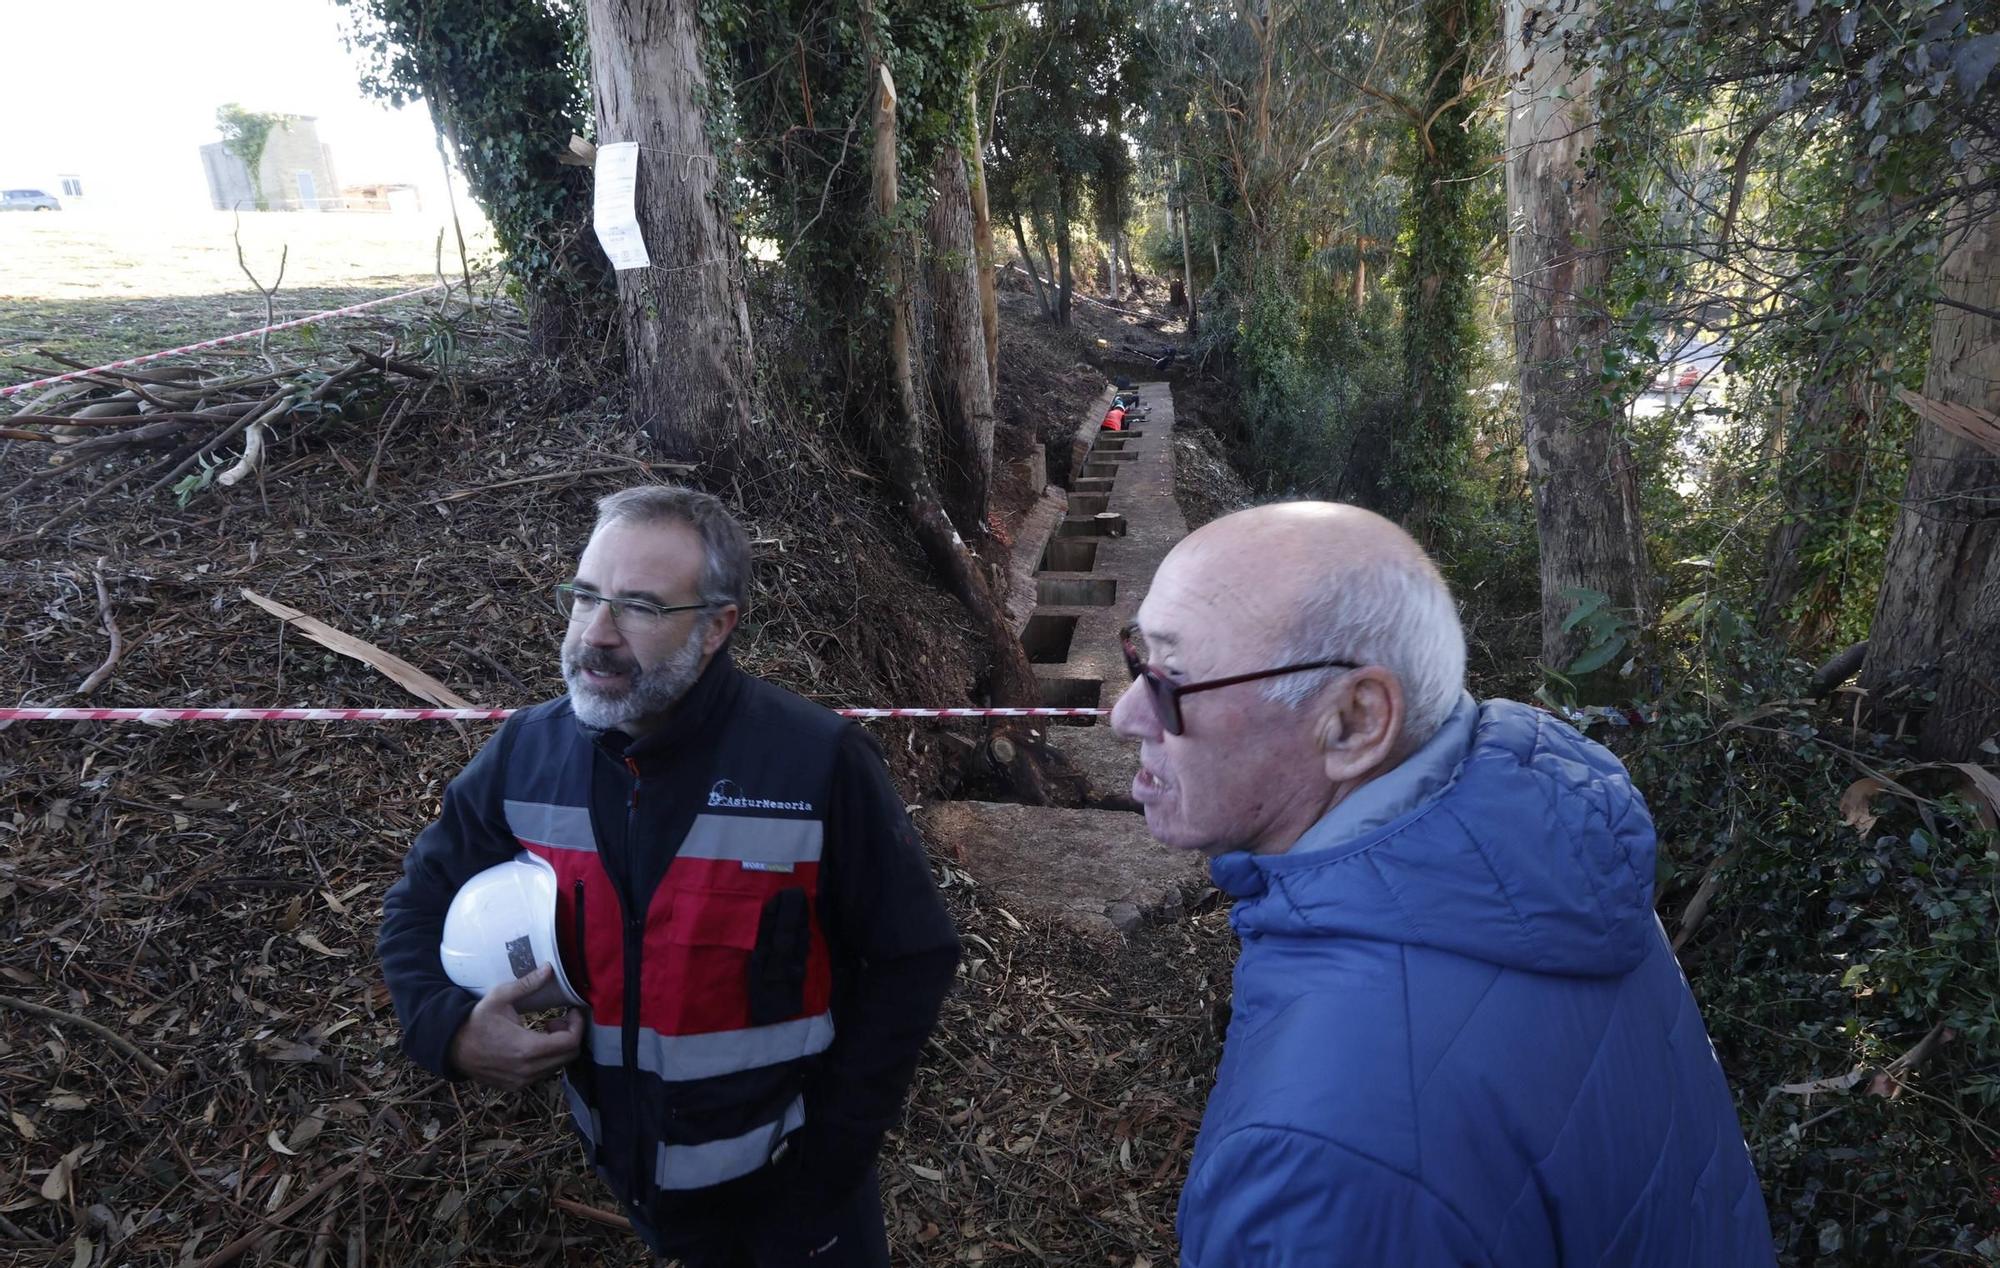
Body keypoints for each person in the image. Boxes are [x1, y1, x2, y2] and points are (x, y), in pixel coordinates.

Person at [1110, 502, 1777, 1267]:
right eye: (1138, 657)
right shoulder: (1539, 861)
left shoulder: (1327, 1159)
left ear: (1355, 722)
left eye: (1171, 680)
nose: (1125, 715)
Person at [379, 484, 960, 1267]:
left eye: (641, 607)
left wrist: (827, 1167)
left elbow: (911, 959)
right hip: (639, 1189)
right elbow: (417, 904)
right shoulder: (527, 756)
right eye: (586, 596)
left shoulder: (814, 763)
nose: (597, 634)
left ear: (717, 626)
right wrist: (447, 1030)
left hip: (799, 1205)